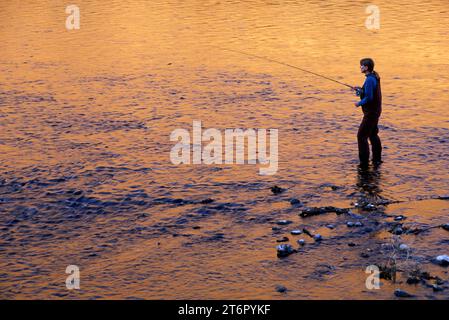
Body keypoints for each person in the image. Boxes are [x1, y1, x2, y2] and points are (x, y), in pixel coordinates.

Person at [354, 58, 382, 167]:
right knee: (373, 134)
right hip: (375, 111)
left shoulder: (370, 79)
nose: (360, 67)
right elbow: (368, 92)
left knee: (361, 136)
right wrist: (360, 90)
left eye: (361, 65)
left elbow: (369, 97)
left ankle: (364, 163)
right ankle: (377, 159)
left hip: (371, 113)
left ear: (366, 67)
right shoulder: (373, 76)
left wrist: (359, 103)